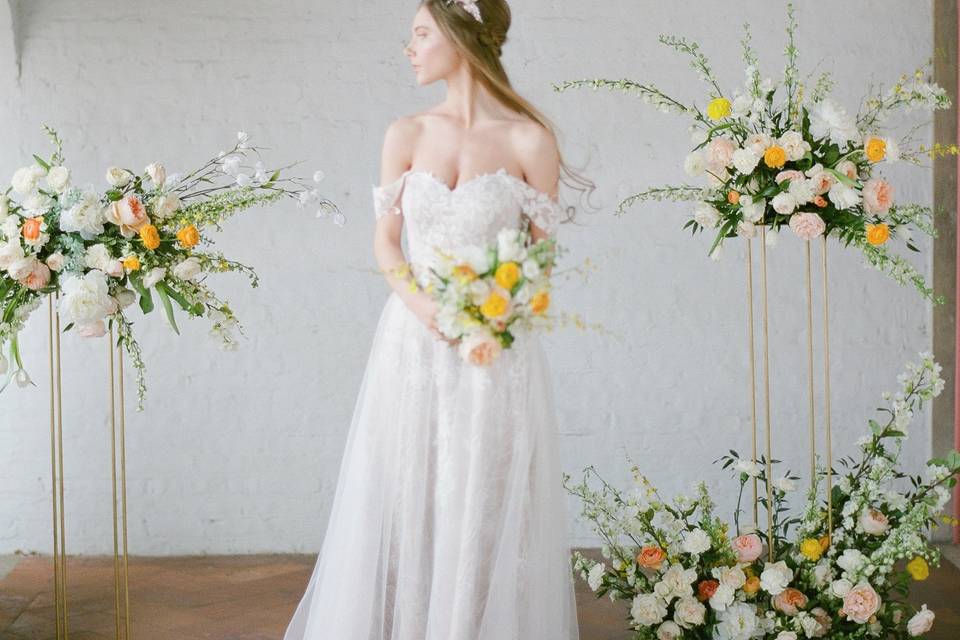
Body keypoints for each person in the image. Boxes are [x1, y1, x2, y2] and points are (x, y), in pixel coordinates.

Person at [284, 1, 588, 638]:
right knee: (404, 497)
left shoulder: (530, 139)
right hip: (413, 345)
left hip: (493, 350)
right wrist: (425, 308)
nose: (410, 48)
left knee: (483, 501)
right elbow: (386, 244)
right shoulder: (407, 134)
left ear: (459, 35)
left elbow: (541, 258)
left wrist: (492, 313)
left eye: (420, 33)